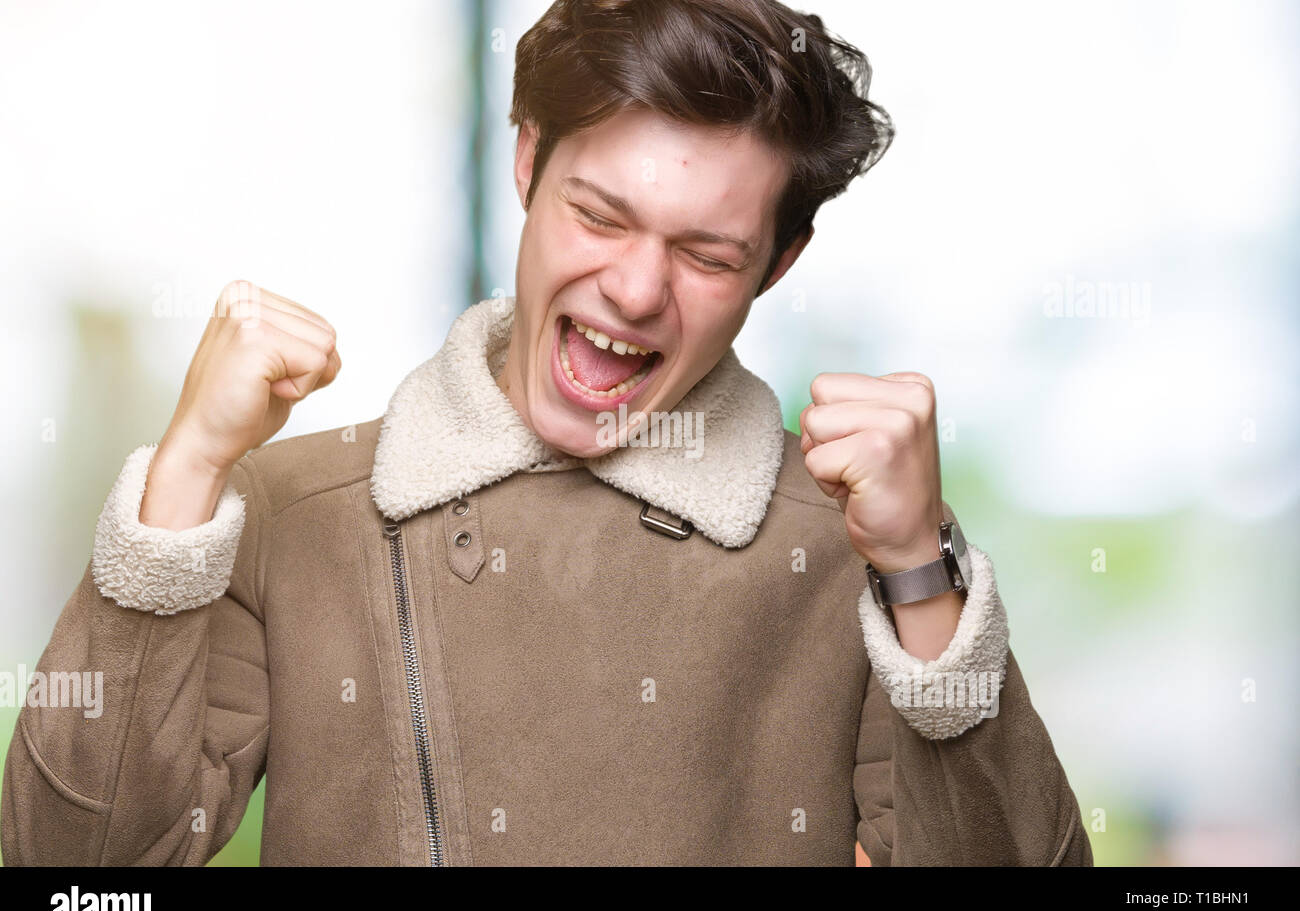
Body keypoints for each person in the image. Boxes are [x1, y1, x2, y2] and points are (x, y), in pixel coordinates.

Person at [1, 0, 1091, 866]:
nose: (632, 287)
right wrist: (186, 471)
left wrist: (917, 568)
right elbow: (76, 875)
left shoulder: (850, 553)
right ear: (526, 163)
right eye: (599, 214)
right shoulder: (295, 513)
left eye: (706, 254)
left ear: (777, 266)